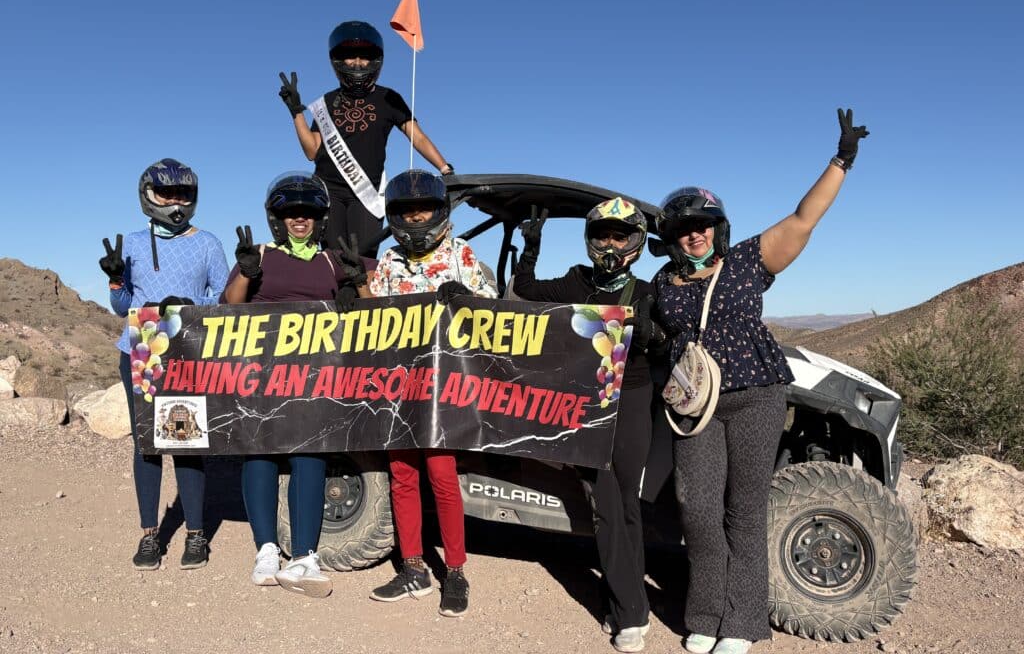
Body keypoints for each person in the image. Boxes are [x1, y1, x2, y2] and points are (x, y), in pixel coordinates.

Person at [651, 109, 870, 654]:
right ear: (672, 238)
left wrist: (841, 160)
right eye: (683, 228)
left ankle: (742, 623)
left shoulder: (747, 261)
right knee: (696, 507)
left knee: (744, 510)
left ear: (717, 226)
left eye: (702, 223)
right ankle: (705, 613)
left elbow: (802, 220)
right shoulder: (663, 281)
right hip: (695, 405)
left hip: (756, 397)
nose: (694, 233)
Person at [339, 169, 495, 617]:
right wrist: (358, 286)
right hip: (399, 387)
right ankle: (412, 568)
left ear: (440, 211)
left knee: (442, 479)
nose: (415, 216)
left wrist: (465, 295)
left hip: (445, 390)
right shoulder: (388, 260)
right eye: (406, 210)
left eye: (422, 208)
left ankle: (457, 571)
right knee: (402, 477)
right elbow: (376, 319)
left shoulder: (460, 254)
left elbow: (489, 312)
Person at [513, 197, 663, 653]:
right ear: (590, 241)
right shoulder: (576, 280)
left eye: (621, 235)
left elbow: (665, 341)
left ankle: (624, 601)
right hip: (588, 404)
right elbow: (527, 290)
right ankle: (632, 612)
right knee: (605, 502)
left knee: (627, 505)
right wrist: (531, 247)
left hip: (633, 401)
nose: (611, 243)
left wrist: (653, 335)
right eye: (603, 235)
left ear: (635, 242)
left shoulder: (645, 291)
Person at [222, 171, 366, 598]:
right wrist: (247, 272)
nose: (299, 220)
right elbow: (229, 307)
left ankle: (305, 554)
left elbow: (378, 305)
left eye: (307, 214)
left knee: (311, 456)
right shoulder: (259, 254)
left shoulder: (332, 259)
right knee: (260, 454)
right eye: (290, 214)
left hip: (316, 377)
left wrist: (354, 286)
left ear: (320, 218)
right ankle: (266, 549)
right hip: (261, 375)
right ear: (276, 219)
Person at [98, 158, 229, 570]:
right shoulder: (133, 243)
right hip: (140, 347)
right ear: (149, 195)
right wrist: (117, 280)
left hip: (187, 346)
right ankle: (149, 534)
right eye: (167, 193)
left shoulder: (207, 242)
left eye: (183, 194)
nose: (175, 201)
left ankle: (195, 534)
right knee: (146, 445)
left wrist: (192, 306)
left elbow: (224, 298)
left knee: (186, 439)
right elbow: (121, 308)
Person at [277, 21, 453, 257]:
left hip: (367, 192)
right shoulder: (326, 102)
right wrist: (296, 112)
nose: (358, 63)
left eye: (364, 57)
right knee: (333, 257)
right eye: (351, 57)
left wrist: (445, 168)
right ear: (338, 60)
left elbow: (417, 137)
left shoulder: (389, 97)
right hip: (329, 191)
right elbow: (312, 151)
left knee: (364, 259)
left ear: (375, 61)